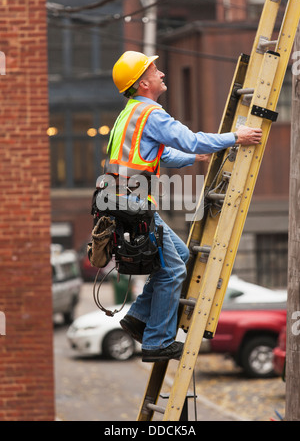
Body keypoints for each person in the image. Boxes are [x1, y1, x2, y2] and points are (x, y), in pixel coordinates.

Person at [104, 51, 262, 363]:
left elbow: (160, 155)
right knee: (174, 268)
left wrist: (196, 157)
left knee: (180, 256)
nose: (161, 74)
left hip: (121, 203)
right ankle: (156, 342)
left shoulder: (130, 113)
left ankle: (138, 317)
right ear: (144, 82)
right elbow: (189, 140)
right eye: (155, 69)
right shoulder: (152, 114)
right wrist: (236, 137)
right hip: (132, 205)